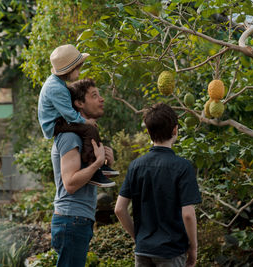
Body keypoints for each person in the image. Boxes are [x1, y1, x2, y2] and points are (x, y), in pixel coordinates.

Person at [114, 103, 202, 267]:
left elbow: (119, 209)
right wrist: (194, 248)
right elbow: (188, 214)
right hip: (171, 252)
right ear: (175, 130)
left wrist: (139, 238)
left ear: (148, 132)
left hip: (143, 251)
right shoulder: (182, 167)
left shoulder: (135, 166)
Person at [50, 78, 114, 266]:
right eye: (94, 96)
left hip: (77, 219)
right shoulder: (70, 137)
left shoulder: (81, 136)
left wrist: (103, 164)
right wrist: (97, 164)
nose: (101, 99)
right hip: (71, 219)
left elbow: (90, 178)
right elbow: (70, 183)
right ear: (79, 103)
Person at [38, 44, 116, 187]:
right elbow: (70, 115)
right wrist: (86, 122)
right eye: (78, 69)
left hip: (59, 119)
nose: (80, 73)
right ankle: (92, 165)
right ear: (70, 69)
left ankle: (98, 165)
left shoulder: (59, 84)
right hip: (55, 123)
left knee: (90, 129)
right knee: (89, 129)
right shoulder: (56, 88)